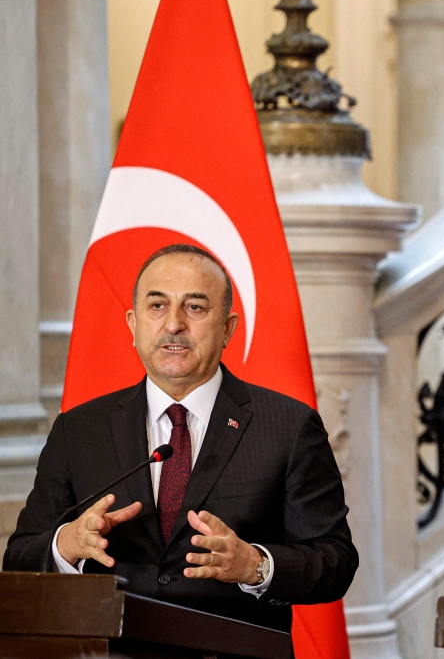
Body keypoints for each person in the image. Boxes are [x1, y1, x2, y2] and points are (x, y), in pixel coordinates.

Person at [3, 244, 358, 633]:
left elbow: (335, 560)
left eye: (195, 307)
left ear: (227, 328)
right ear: (132, 324)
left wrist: (253, 564)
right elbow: (19, 556)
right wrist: (67, 544)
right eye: (157, 306)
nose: (173, 324)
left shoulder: (288, 426)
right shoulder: (79, 429)